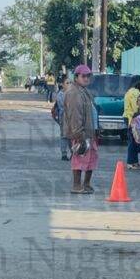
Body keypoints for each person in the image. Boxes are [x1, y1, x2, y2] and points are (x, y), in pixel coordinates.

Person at [63, 65, 98, 195]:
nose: (86, 78)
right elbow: (74, 117)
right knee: (79, 159)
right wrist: (79, 135)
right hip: (80, 133)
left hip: (90, 132)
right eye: (83, 76)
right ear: (76, 77)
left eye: (88, 76)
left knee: (91, 159)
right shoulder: (74, 93)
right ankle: (76, 185)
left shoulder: (84, 91)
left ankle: (86, 184)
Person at [124, 75, 140, 170]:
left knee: (134, 141)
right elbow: (136, 107)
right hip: (132, 118)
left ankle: (134, 162)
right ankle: (131, 162)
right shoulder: (135, 92)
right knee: (133, 141)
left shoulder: (129, 91)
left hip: (129, 117)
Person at [54, 78, 71, 161]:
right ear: (63, 85)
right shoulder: (60, 95)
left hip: (73, 117)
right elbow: (64, 106)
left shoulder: (73, 94)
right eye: (67, 83)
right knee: (64, 136)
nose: (69, 84)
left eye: (70, 83)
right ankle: (64, 154)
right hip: (64, 117)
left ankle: (73, 153)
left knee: (73, 136)